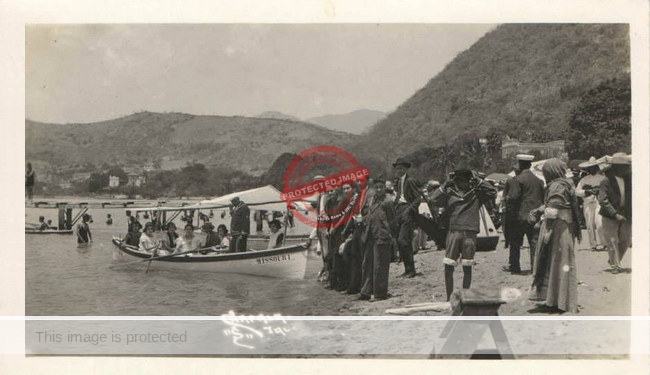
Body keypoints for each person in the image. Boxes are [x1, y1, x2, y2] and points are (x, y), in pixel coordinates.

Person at [430, 168, 497, 301]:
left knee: (467, 266)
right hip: (454, 231)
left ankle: (465, 296)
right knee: (449, 265)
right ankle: (449, 297)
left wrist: (478, 180)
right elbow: (433, 199)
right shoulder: (449, 194)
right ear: (454, 181)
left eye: (465, 180)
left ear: (469, 181)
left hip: (469, 232)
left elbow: (493, 191)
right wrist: (445, 185)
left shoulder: (476, 194)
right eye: (458, 180)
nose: (461, 183)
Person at [529, 158, 581, 313]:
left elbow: (553, 210)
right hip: (565, 226)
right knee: (560, 263)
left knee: (555, 262)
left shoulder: (556, 186)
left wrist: (538, 213)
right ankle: (557, 300)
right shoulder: (566, 183)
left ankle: (558, 301)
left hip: (557, 228)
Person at [504, 154, 545, 274]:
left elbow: (513, 198)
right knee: (534, 243)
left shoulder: (517, 180)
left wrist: (507, 199)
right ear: (530, 165)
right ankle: (535, 268)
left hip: (519, 217)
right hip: (535, 216)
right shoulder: (539, 181)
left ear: (520, 165)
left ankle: (515, 267)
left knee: (515, 243)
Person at [358, 176, 397, 302]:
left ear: (385, 188)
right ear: (374, 188)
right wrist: (361, 220)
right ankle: (366, 291)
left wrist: (392, 237)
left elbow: (392, 221)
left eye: (381, 187)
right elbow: (368, 215)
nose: (379, 190)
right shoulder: (371, 199)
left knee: (380, 266)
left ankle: (380, 293)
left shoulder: (388, 201)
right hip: (369, 235)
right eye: (377, 187)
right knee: (367, 264)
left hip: (382, 236)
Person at [597, 152, 632, 274]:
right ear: (616, 167)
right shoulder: (606, 181)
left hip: (627, 214)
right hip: (609, 215)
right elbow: (603, 200)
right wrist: (614, 214)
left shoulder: (630, 180)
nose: (628, 168)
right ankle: (615, 265)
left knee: (626, 240)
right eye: (625, 166)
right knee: (612, 240)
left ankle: (614, 260)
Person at [392, 157, 422, 278]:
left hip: (407, 210)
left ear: (405, 169)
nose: (398, 170)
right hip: (399, 210)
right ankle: (407, 269)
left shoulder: (410, 181)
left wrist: (409, 210)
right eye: (397, 168)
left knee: (403, 240)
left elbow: (418, 198)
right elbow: (399, 196)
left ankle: (411, 270)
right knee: (401, 242)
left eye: (400, 168)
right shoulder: (398, 181)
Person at [575, 157, 607, 251]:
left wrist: (598, 190)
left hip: (599, 203)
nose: (592, 169)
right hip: (588, 202)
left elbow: (607, 190)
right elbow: (577, 191)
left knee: (599, 223)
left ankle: (603, 243)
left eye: (594, 167)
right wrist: (586, 191)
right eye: (590, 167)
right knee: (589, 224)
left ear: (597, 168)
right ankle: (592, 244)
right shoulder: (584, 180)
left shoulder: (603, 178)